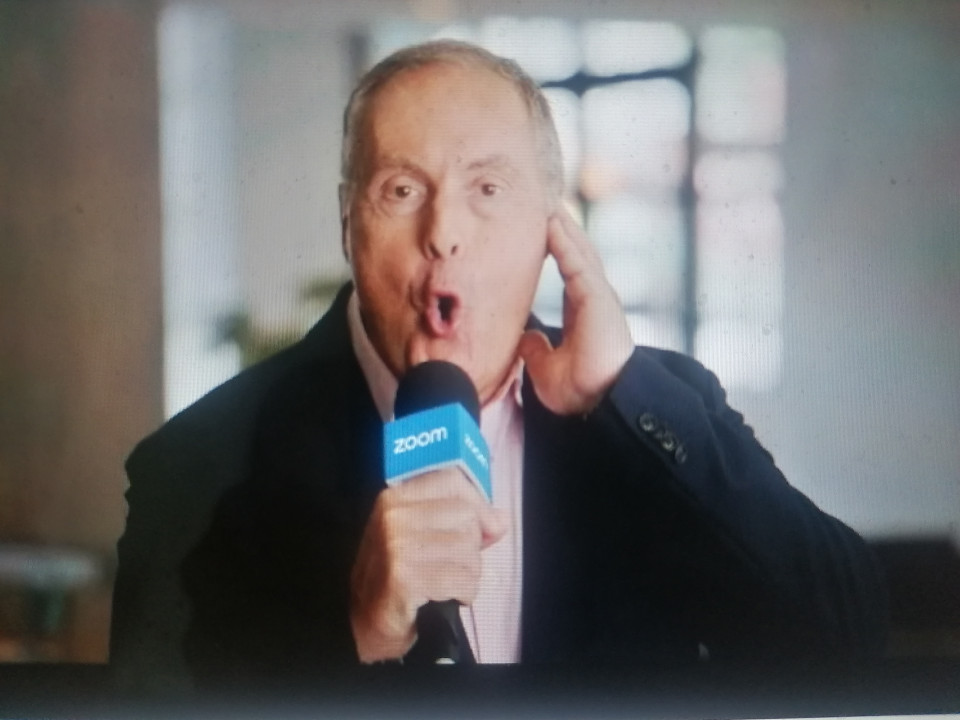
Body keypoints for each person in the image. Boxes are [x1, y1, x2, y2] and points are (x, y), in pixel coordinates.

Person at [110, 40, 887, 690]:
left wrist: (617, 392)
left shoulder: (660, 411)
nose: (444, 232)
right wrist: (354, 633)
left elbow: (850, 641)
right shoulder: (197, 462)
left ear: (551, 227)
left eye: (487, 187)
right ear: (349, 224)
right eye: (401, 189)